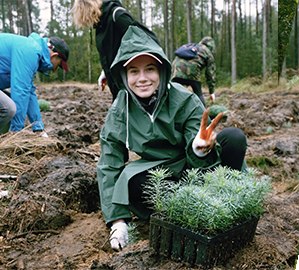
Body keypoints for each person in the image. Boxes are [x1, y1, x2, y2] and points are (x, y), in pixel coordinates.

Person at [96, 26, 247, 251]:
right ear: (124, 76)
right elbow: (109, 165)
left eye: (150, 69)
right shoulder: (119, 109)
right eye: (134, 71)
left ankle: (226, 206)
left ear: (162, 70)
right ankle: (184, 210)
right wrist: (118, 221)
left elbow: (201, 160)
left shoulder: (185, 100)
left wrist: (198, 150)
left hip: (197, 168)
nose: (142, 78)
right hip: (162, 175)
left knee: (234, 138)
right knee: (131, 182)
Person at [72, 0, 160, 102]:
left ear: (88, 8)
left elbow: (145, 40)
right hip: (116, 83)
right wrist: (105, 72)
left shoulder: (117, 16)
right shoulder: (100, 25)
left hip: (130, 82)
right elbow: (110, 52)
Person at [0, 33, 70, 136]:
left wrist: (38, 127)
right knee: (8, 108)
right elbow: (21, 91)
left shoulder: (32, 49)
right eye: (58, 64)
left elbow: (29, 92)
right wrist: (16, 132)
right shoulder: (30, 50)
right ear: (54, 55)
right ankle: (8, 140)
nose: (54, 69)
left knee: (10, 106)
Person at [171, 37, 217, 108]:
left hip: (175, 70)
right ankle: (203, 114)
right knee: (198, 94)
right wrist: (211, 91)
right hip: (191, 72)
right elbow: (210, 73)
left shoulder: (192, 47)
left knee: (172, 94)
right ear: (211, 47)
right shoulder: (207, 52)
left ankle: (170, 111)